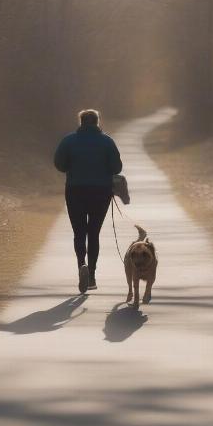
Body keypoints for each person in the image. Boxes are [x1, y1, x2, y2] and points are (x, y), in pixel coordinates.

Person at [54, 109, 123, 293]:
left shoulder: (68, 140)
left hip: (75, 190)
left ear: (81, 122)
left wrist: (73, 166)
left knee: (79, 232)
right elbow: (117, 167)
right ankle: (91, 276)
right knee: (93, 233)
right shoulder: (107, 141)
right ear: (97, 122)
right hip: (100, 192)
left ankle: (81, 266)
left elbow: (59, 164)